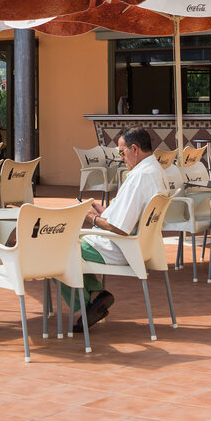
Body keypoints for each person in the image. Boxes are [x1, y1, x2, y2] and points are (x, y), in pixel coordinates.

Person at [70, 127, 167, 331]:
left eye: (122, 153)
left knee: (58, 249)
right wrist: (106, 212)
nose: (121, 158)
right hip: (141, 246)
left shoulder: (138, 177)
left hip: (118, 247)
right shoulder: (157, 171)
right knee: (66, 248)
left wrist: (92, 218)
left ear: (135, 149)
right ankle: (96, 296)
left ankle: (89, 302)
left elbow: (121, 229)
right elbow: (129, 216)